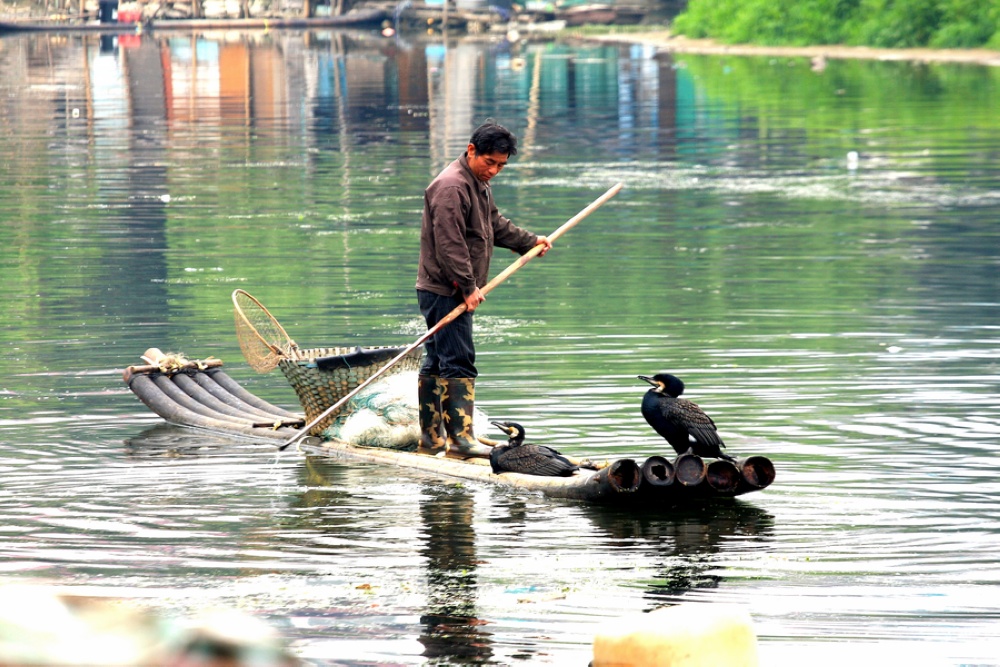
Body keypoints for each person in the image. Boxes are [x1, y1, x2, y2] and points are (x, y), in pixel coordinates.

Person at [415, 120, 552, 459]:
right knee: (458, 361)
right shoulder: (451, 187)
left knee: (437, 360)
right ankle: (461, 442)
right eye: (489, 162)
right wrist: (468, 286)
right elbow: (450, 246)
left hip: (450, 288)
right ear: (471, 150)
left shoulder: (477, 184)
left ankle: (432, 440)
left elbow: (493, 225)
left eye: (501, 165)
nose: (494, 170)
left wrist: (529, 242)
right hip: (444, 290)